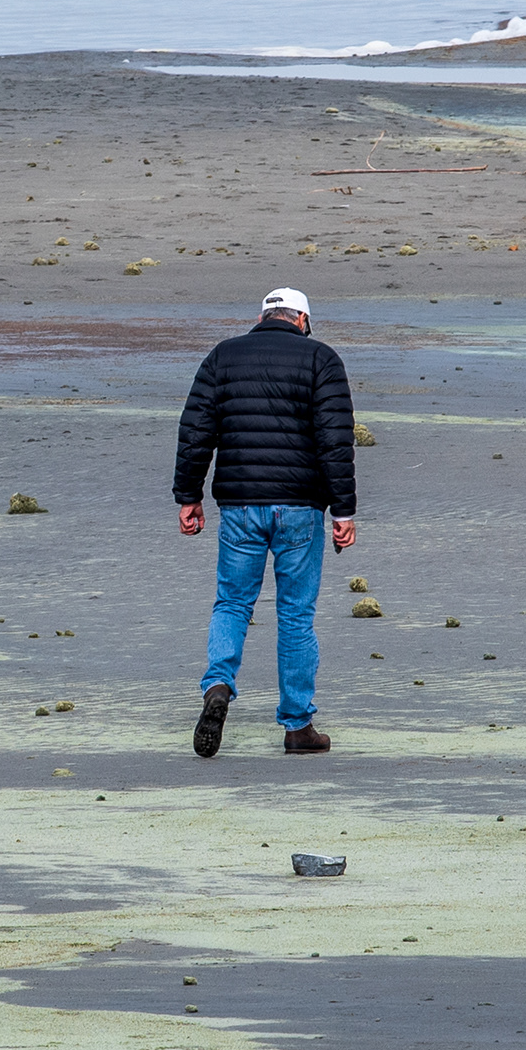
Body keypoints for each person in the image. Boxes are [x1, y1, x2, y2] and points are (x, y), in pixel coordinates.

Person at [173, 285, 359, 757]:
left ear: (263, 316)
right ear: (302, 319)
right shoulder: (322, 359)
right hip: (300, 506)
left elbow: (196, 430)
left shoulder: (223, 356)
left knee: (232, 603)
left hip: (238, 504)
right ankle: (298, 727)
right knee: (295, 614)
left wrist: (188, 496)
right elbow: (335, 441)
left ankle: (217, 686)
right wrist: (344, 510)